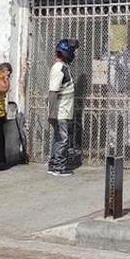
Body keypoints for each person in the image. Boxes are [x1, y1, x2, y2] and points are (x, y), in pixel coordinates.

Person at [47, 39, 78, 177]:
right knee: (63, 139)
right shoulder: (58, 68)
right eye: (72, 52)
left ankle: (54, 165)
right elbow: (53, 92)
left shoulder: (63, 67)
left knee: (59, 139)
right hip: (60, 111)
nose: (74, 55)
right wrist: (52, 114)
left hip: (64, 110)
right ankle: (58, 167)